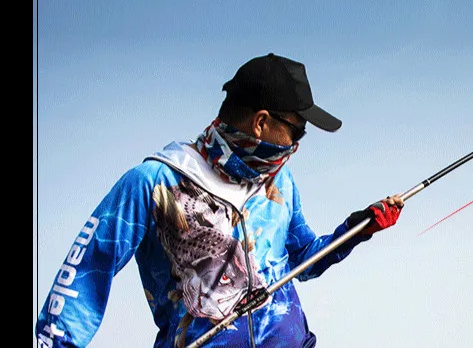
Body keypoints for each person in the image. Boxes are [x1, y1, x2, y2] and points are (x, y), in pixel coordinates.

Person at [35, 53, 404, 348]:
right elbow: (84, 275)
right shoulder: (153, 182)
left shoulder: (279, 181)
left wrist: (356, 230)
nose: (297, 144)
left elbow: (301, 260)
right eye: (296, 131)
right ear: (261, 122)